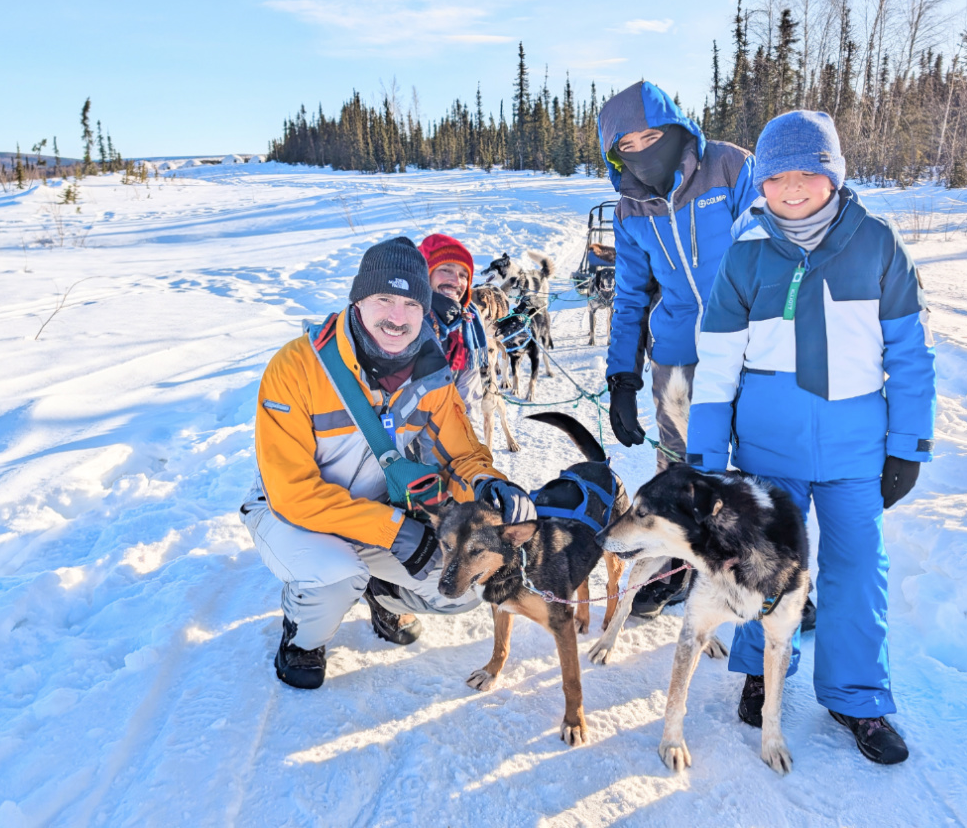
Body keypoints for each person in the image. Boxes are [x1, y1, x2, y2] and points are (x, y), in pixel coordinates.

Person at [686, 110, 936, 764]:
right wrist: (708, 459)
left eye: (807, 173)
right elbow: (714, 363)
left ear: (833, 175)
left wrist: (908, 443)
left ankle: (859, 698)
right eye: (776, 176)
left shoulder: (877, 244)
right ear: (760, 181)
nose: (791, 189)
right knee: (758, 565)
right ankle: (755, 670)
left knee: (858, 569)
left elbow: (910, 352)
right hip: (767, 451)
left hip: (856, 448)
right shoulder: (744, 253)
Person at [239, 237, 535, 690]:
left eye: (410, 304)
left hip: (378, 511)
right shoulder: (296, 368)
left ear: (425, 308)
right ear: (357, 301)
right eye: (384, 299)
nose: (397, 318)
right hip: (291, 516)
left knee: (464, 586)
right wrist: (396, 532)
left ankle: (384, 598)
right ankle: (303, 637)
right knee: (337, 574)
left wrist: (490, 486)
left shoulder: (432, 374)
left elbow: (464, 454)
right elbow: (293, 492)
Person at [598, 80, 756, 618]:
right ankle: (675, 568)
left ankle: (764, 573)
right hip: (677, 356)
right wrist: (623, 377)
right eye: (627, 145)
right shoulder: (628, 210)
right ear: (614, 155)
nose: (642, 151)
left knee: (754, 465)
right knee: (680, 472)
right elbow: (630, 295)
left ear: (677, 129)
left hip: (750, 342)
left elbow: (770, 250)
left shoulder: (729, 168)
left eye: (651, 136)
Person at [418, 233, 490, 429]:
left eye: (463, 275)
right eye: (446, 269)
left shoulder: (468, 325)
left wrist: (466, 449)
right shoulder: (405, 322)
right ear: (425, 274)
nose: (456, 281)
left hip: (448, 442)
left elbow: (468, 399)